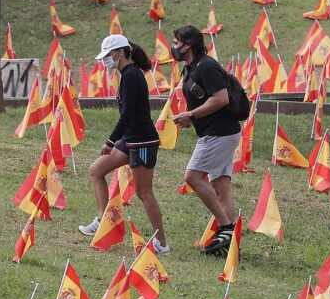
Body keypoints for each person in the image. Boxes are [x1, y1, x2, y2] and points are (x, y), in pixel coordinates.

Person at [78, 34, 168, 253]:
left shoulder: (131, 76)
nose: (104, 61)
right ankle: (103, 220)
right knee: (96, 170)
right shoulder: (126, 74)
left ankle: (161, 243)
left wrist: (110, 141)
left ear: (118, 53)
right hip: (130, 139)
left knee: (144, 192)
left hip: (143, 141)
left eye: (107, 56)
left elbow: (127, 114)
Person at [171, 25, 240, 256]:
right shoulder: (190, 68)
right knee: (221, 186)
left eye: (176, 42)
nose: (174, 47)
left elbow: (221, 98)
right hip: (216, 131)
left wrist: (191, 114)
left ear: (188, 44)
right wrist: (192, 118)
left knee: (192, 176)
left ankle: (226, 226)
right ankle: (230, 242)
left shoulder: (207, 67)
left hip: (219, 133)